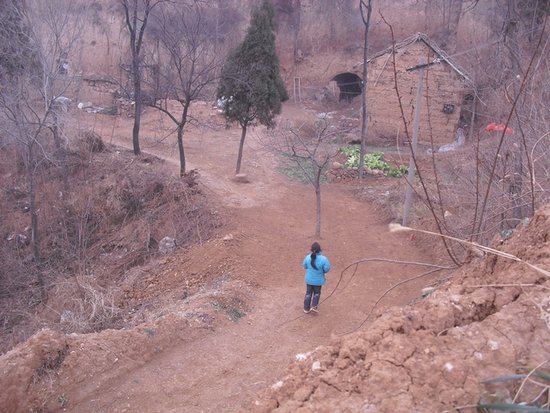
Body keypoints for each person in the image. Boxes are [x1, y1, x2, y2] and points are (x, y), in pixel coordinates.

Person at [303, 242, 331, 313]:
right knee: (317, 293)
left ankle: (306, 308)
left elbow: (304, 266)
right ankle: (314, 306)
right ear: (320, 249)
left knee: (308, 293)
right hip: (318, 281)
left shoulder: (307, 257)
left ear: (311, 249)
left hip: (309, 280)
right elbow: (327, 268)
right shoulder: (324, 259)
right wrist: (323, 271)